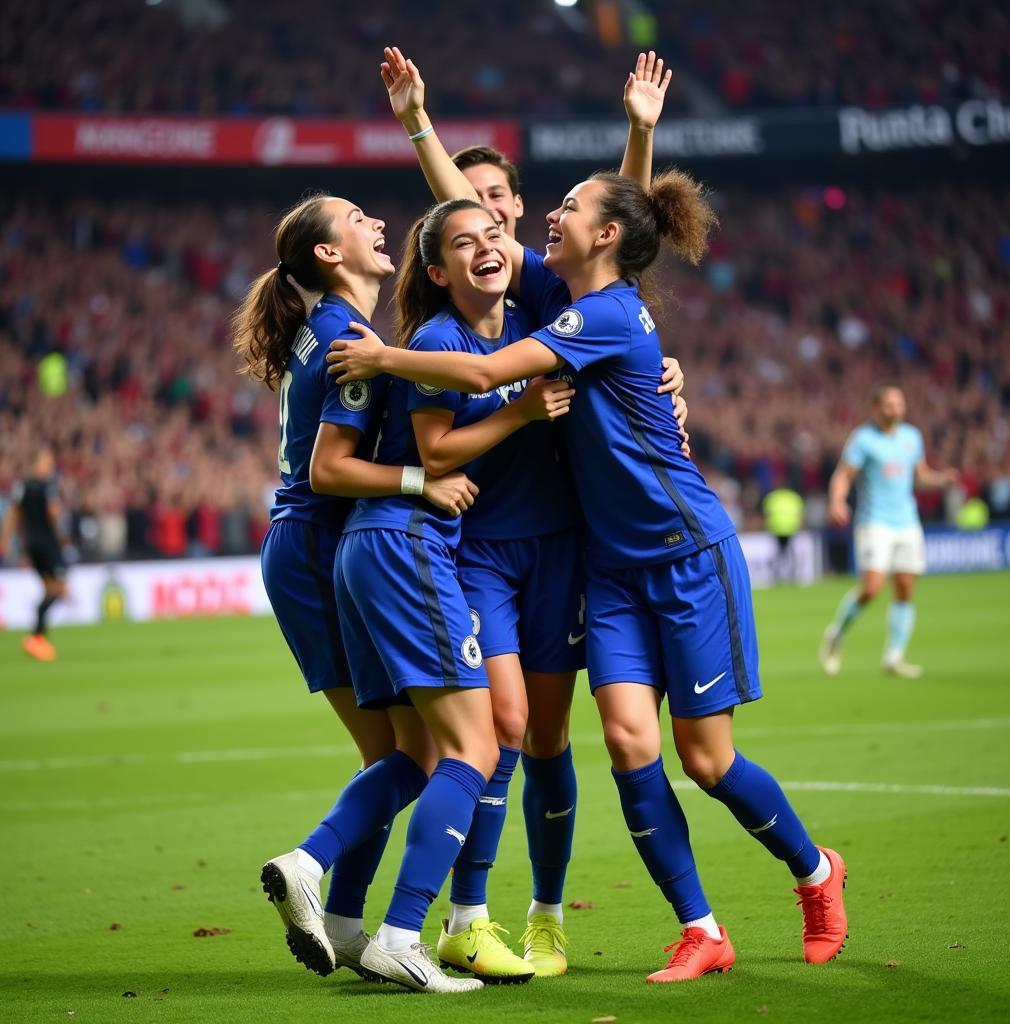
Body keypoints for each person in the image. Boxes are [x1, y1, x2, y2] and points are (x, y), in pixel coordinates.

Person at [328, 168, 849, 983]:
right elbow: (469, 232)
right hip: (609, 572)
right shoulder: (568, 297)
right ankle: (702, 930)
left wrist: (382, 353)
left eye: (566, 207)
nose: (541, 216)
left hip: (684, 556)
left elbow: (487, 373)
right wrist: (420, 126)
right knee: (627, 743)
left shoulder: (603, 311)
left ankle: (816, 871)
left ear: (604, 236)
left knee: (707, 762)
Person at [377, 44, 686, 977]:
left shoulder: (551, 290)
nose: (497, 222)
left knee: (546, 736)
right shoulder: (466, 305)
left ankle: (544, 913)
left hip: (567, 546)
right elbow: (458, 219)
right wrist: (418, 124)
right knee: (502, 725)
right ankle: (468, 913)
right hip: (481, 549)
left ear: (521, 212)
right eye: (475, 215)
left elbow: (618, 233)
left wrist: (638, 133)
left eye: (504, 203)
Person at [231, 192, 476, 981]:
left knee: (394, 750)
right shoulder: (345, 334)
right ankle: (312, 863)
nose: (377, 223)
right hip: (315, 543)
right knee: (420, 751)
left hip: (309, 547)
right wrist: (420, 481)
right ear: (329, 256)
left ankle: (340, 919)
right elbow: (328, 469)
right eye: (357, 218)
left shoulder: (330, 332)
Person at [334, 197, 576, 992]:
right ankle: (425, 924)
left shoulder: (528, 323)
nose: (487, 248)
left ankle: (340, 894)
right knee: (476, 744)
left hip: (446, 550)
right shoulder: (439, 337)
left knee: (459, 746)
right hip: (423, 547)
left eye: (496, 236)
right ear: (438, 272)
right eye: (463, 245)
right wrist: (521, 411)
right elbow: (437, 452)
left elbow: (622, 244)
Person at [820, 383, 958, 678]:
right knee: (871, 588)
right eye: (889, 405)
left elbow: (920, 477)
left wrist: (941, 480)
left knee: (906, 589)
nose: (895, 410)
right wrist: (836, 501)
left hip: (908, 522)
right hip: (875, 522)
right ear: (876, 407)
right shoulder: (863, 439)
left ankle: (894, 657)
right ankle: (836, 634)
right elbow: (843, 475)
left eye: (899, 404)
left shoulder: (911, 437)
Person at [1, 448, 68, 662]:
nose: (50, 465)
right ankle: (36, 637)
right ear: (36, 462)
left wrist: (5, 540)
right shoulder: (48, 486)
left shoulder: (21, 486)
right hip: (48, 543)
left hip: (31, 544)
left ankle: (39, 640)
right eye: (47, 460)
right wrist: (62, 537)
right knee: (59, 590)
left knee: (49, 589)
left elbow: (12, 514)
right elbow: (53, 513)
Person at [763, 486, 804, 584]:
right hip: (783, 529)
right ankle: (782, 575)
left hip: (786, 529)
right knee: (784, 554)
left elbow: (766, 514)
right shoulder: (793, 497)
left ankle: (787, 575)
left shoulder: (773, 497)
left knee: (784, 554)